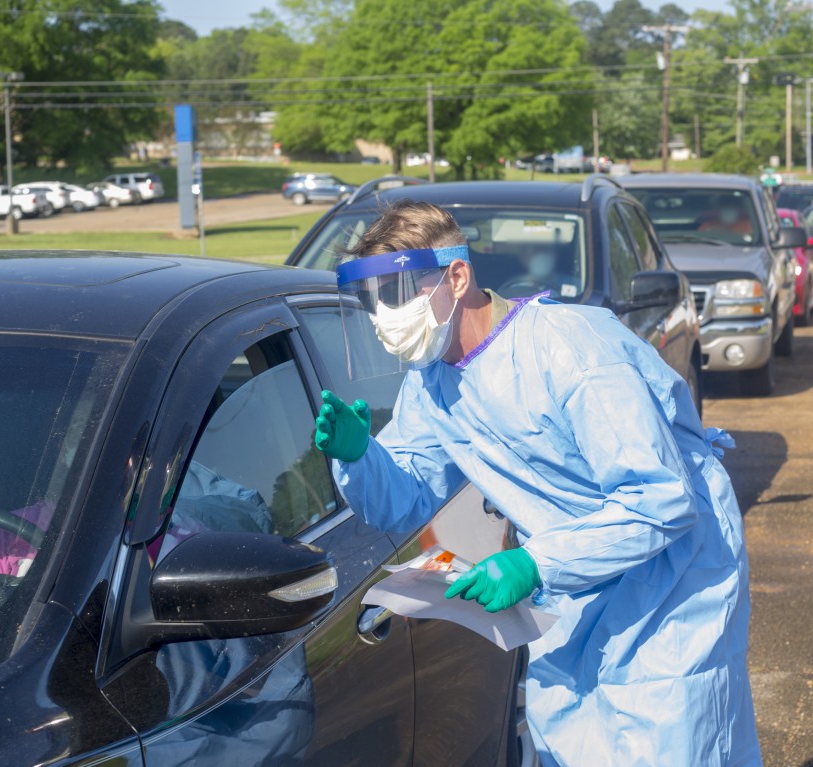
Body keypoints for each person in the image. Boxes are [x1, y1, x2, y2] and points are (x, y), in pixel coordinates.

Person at [313, 200, 760, 767]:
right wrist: (360, 457)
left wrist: (535, 565)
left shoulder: (572, 347)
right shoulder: (430, 384)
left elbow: (661, 500)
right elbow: (407, 501)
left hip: (673, 577)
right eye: (372, 299)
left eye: (397, 292)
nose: (384, 315)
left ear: (457, 274)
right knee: (569, 737)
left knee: (668, 741)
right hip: (575, 579)